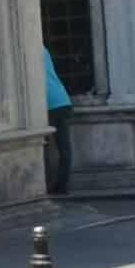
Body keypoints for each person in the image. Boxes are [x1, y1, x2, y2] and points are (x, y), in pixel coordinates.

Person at [42, 46, 74, 196]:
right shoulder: (45, 49)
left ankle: (47, 185)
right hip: (63, 99)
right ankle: (62, 186)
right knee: (64, 149)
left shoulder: (28, 48)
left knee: (43, 147)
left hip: (48, 103)